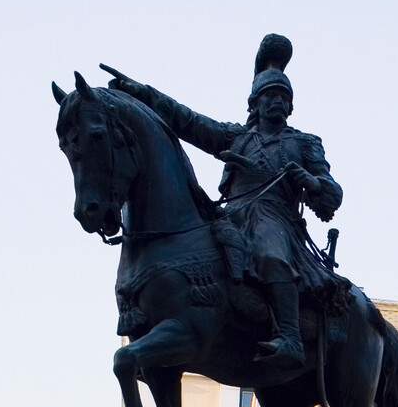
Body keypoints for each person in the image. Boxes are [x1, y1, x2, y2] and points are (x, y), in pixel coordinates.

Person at [102, 34, 340, 368]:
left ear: (290, 105)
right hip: (231, 217)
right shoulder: (237, 137)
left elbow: (332, 193)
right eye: (268, 95)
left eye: (282, 96)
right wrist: (142, 93)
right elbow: (188, 120)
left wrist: (310, 180)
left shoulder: (305, 143)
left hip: (274, 219)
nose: (276, 101)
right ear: (255, 103)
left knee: (271, 253)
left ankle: (290, 338)